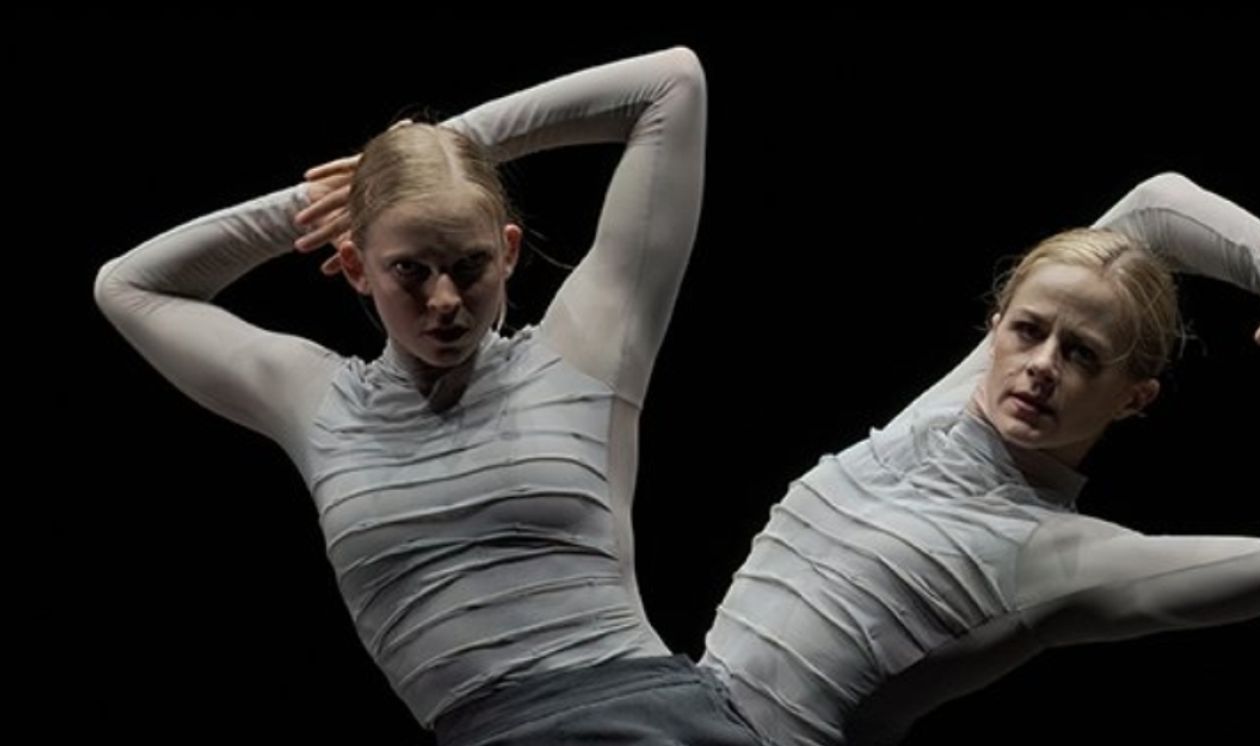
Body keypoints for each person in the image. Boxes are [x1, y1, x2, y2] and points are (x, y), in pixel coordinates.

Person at [94, 47, 763, 745]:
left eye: (469, 266)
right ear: (354, 265)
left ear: (507, 253)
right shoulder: (318, 402)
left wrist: (445, 147)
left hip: (646, 717)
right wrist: (359, 189)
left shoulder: (582, 352)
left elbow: (672, 83)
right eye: (409, 271)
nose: (444, 301)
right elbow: (127, 285)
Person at [700, 172, 1260, 746]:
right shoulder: (950, 411)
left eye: (1082, 356)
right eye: (1030, 331)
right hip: (653, 709)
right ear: (997, 328)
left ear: (1134, 400)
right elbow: (1156, 206)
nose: (1042, 366)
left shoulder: (1054, 555)